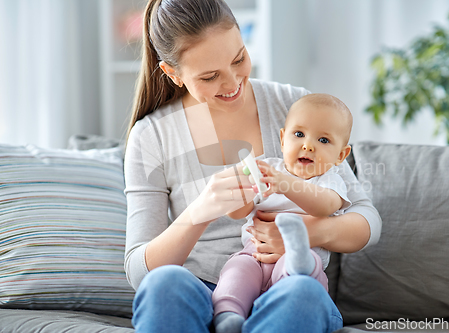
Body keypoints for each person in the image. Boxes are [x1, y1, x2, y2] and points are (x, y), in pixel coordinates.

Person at [124, 0, 382, 332]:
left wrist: (305, 233)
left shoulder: (293, 106)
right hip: (202, 294)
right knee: (164, 286)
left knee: (302, 294)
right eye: (210, 76)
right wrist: (201, 210)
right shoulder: (152, 136)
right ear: (173, 73)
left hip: (285, 290)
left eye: (239, 59)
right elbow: (139, 272)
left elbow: (367, 219)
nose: (232, 83)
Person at [212, 93, 354, 333]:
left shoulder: (330, 180)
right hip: (255, 256)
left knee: (303, 268)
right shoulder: (269, 168)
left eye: (323, 140)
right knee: (236, 269)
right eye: (299, 134)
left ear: (341, 155)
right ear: (282, 139)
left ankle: (296, 263)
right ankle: (228, 316)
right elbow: (238, 214)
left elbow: (325, 206)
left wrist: (286, 184)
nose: (308, 145)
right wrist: (241, 189)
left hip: (300, 263)